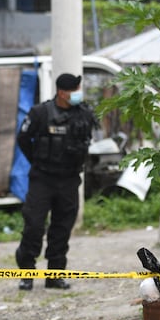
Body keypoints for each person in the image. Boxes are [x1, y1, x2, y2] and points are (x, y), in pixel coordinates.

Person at [14, 73, 99, 291]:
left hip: (69, 179)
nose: (78, 93)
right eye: (75, 90)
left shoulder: (84, 114)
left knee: (62, 228)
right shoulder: (40, 113)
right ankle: (26, 274)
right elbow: (23, 138)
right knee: (34, 225)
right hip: (42, 178)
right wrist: (37, 160)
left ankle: (55, 275)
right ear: (62, 93)